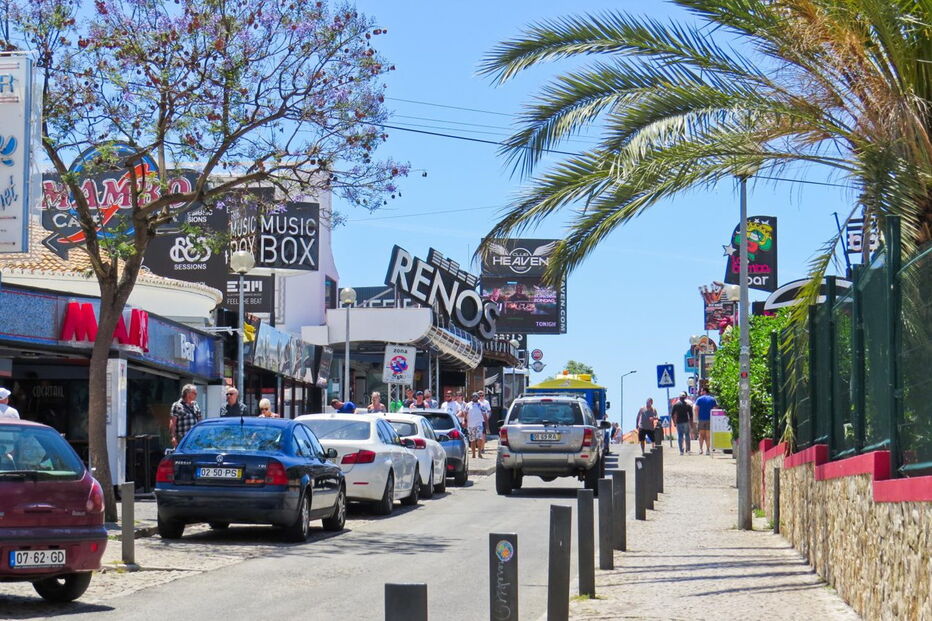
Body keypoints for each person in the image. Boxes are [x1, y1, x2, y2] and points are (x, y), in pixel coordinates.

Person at [694, 387, 718, 455]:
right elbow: (715, 409)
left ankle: (701, 449)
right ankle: (707, 450)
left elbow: (696, 409)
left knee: (701, 435)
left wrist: (697, 418)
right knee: (708, 435)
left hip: (701, 419)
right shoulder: (712, 399)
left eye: (701, 391)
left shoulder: (699, 399)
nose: (701, 393)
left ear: (704, 391)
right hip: (710, 419)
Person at [465, 392, 487, 458]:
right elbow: (465, 413)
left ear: (478, 398)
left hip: (479, 424)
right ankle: (473, 454)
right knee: (472, 440)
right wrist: (465, 421)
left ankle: (479, 453)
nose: (475, 398)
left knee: (479, 438)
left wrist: (486, 424)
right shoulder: (468, 405)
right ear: (471, 398)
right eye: (473, 397)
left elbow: (484, 415)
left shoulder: (481, 405)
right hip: (470, 425)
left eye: (476, 397)